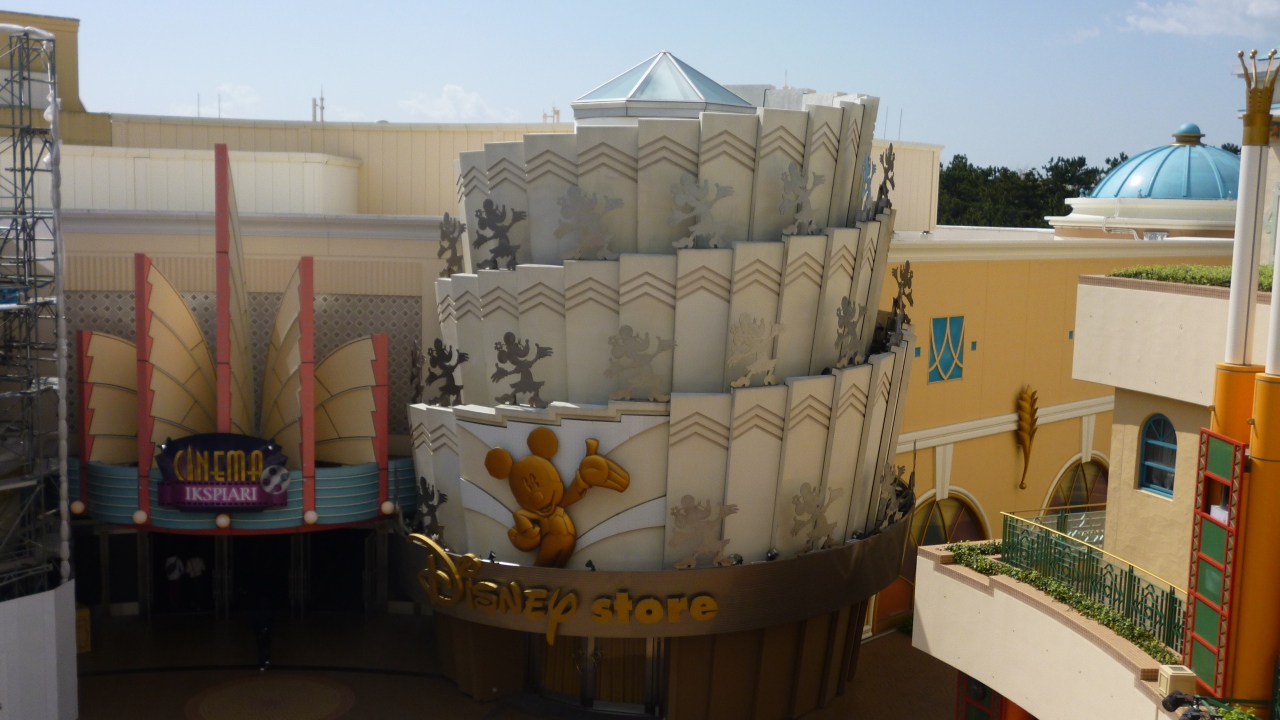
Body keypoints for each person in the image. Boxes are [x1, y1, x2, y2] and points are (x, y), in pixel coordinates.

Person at [252, 597, 273, 671]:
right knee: (266, 646)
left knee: (261, 648)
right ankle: (266, 661)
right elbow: (271, 622)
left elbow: (255, 622)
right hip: (265, 631)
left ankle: (262, 664)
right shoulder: (268, 611)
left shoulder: (257, 612)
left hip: (260, 631)